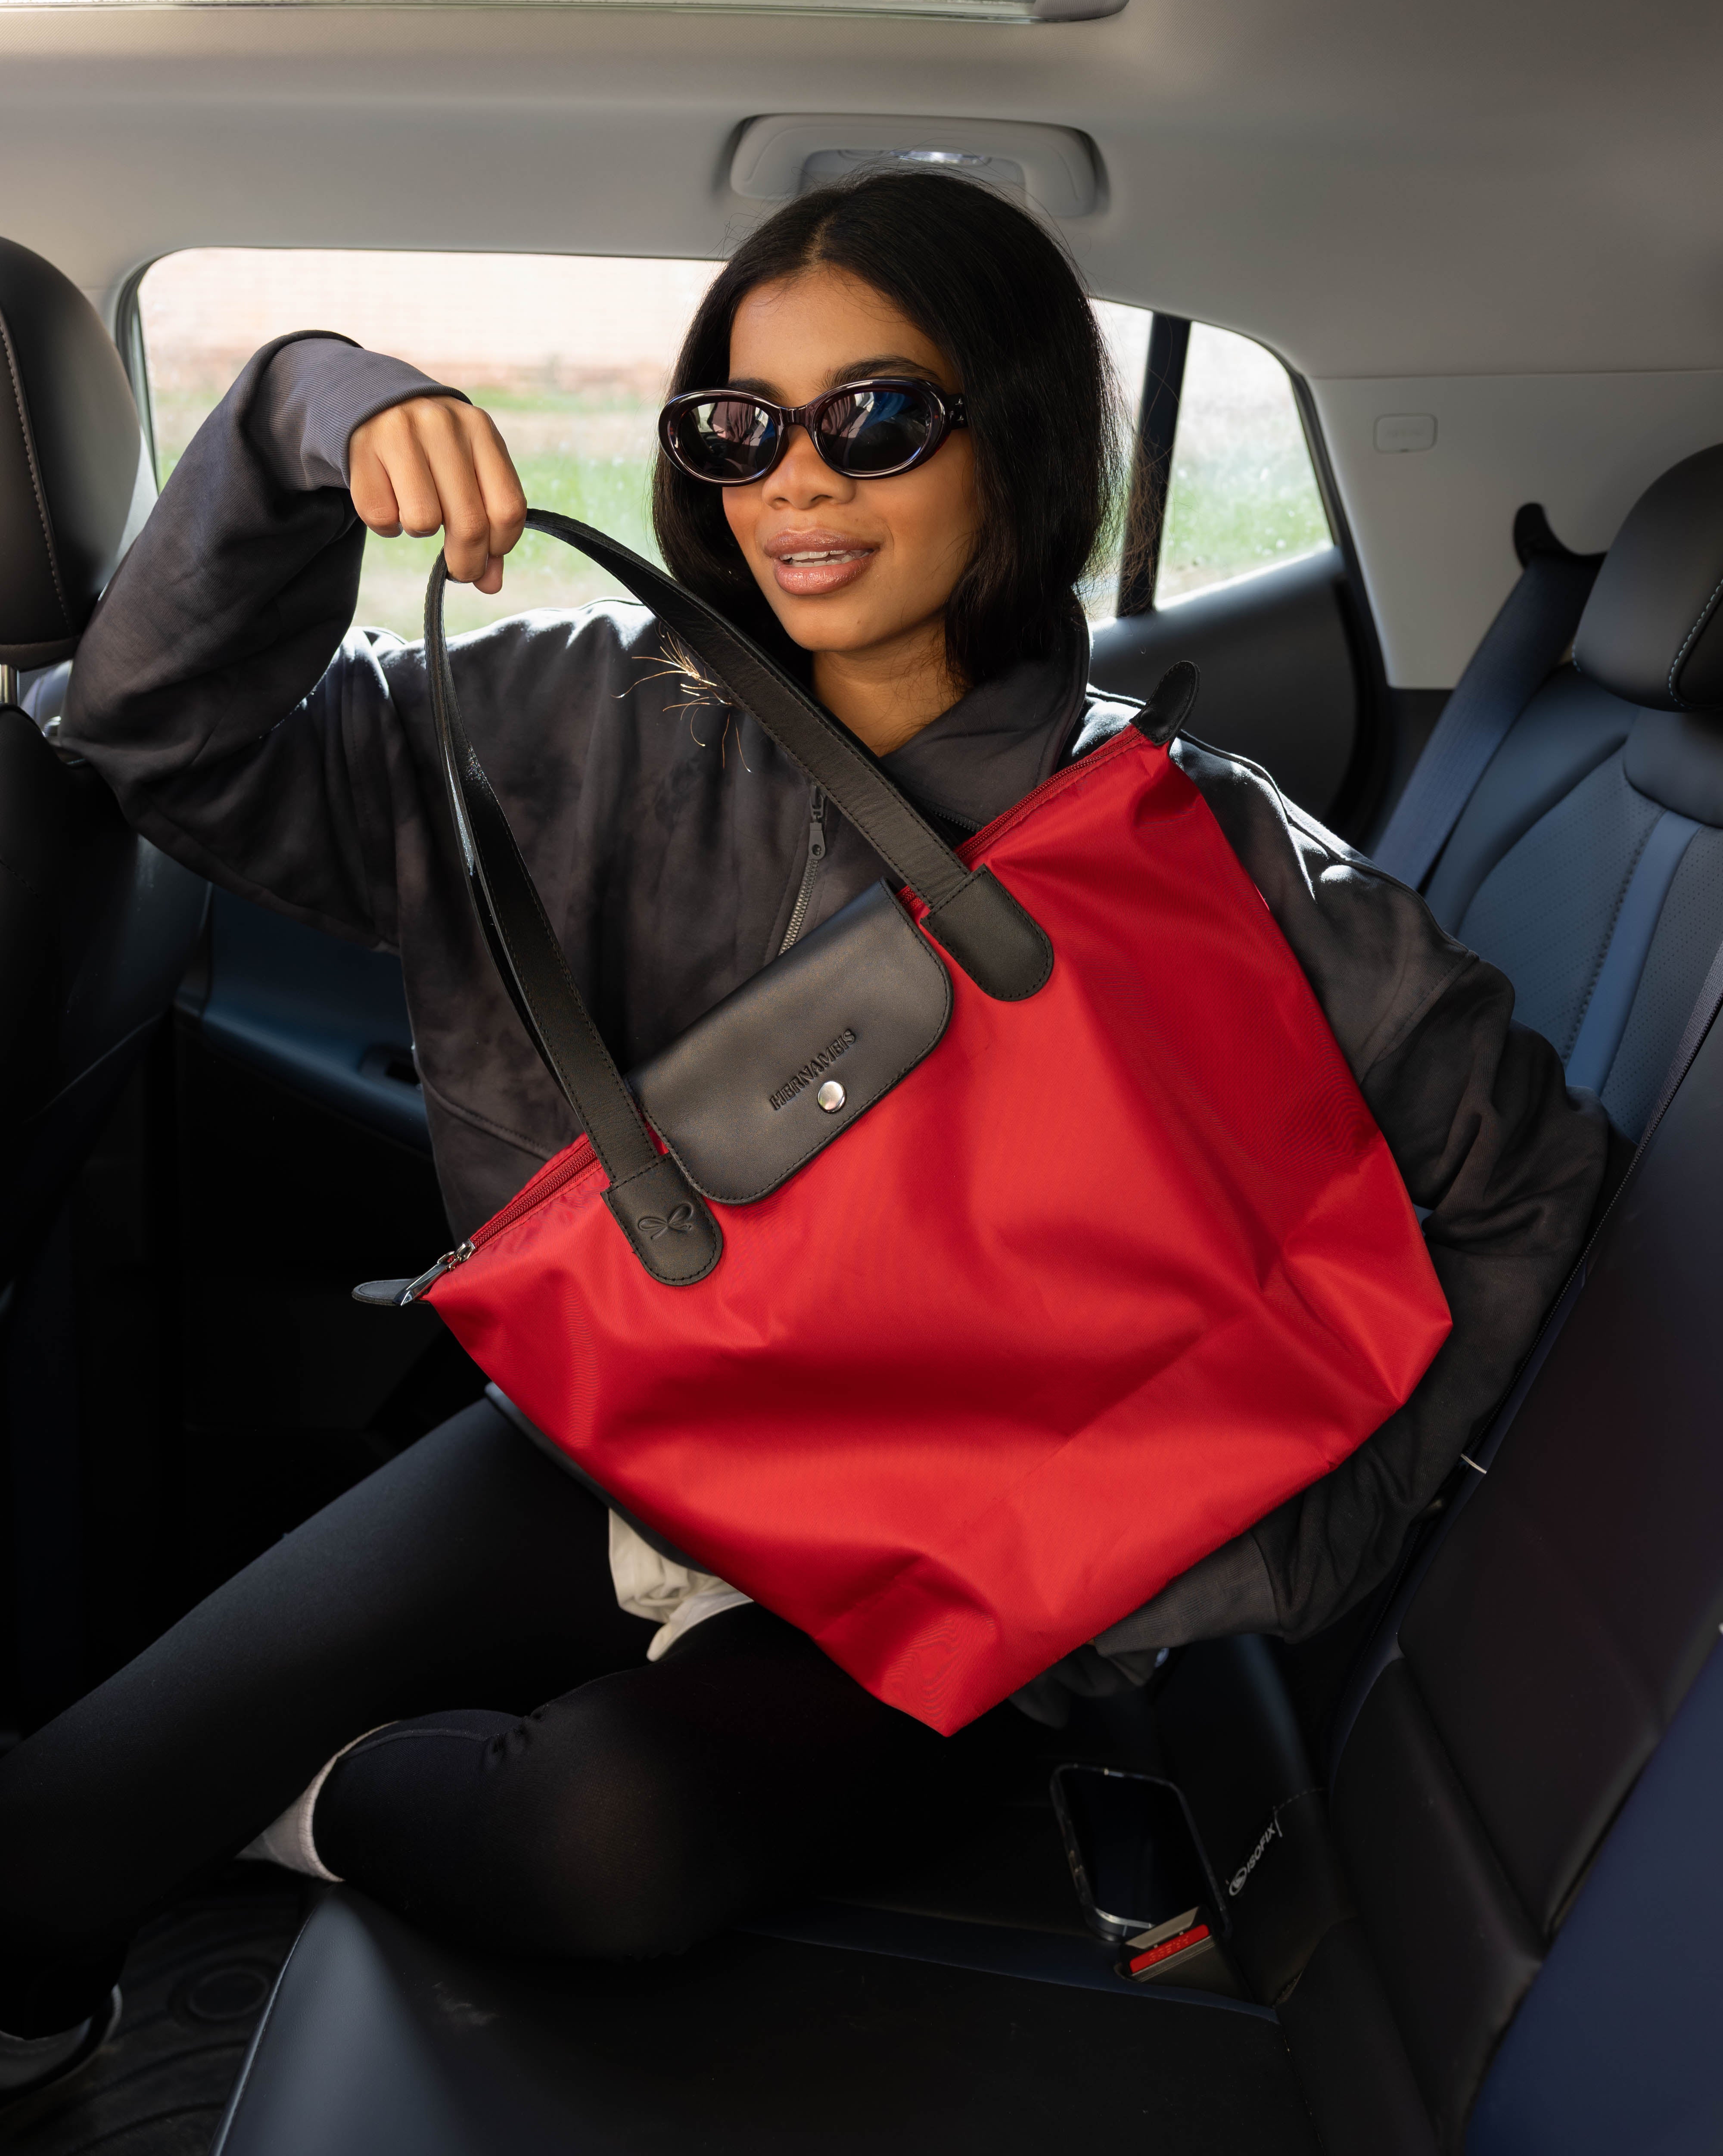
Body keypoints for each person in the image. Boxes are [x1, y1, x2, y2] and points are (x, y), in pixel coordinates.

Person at [0, 171, 1608, 2091]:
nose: (796, 483)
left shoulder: (1193, 847)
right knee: (42, 1856)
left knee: (612, 1839)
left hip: (945, 1566)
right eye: (738, 428)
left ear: (1009, 444)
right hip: (611, 1447)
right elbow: (154, 739)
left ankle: (311, 1814)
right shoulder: (565, 718)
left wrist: (1247, 1553)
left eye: (875, 419)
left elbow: (1522, 1184)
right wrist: (307, 408)